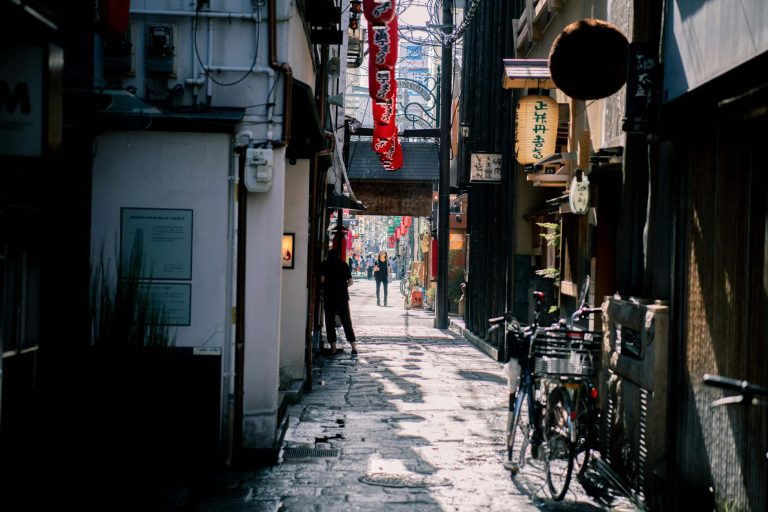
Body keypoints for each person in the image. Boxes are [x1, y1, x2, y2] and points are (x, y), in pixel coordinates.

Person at [319, 248, 358, 356]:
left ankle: (333, 348)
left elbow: (322, 280)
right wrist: (342, 286)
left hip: (329, 296)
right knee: (346, 321)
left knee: (330, 322)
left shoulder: (324, 264)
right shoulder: (343, 265)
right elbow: (350, 282)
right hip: (342, 297)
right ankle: (353, 347)